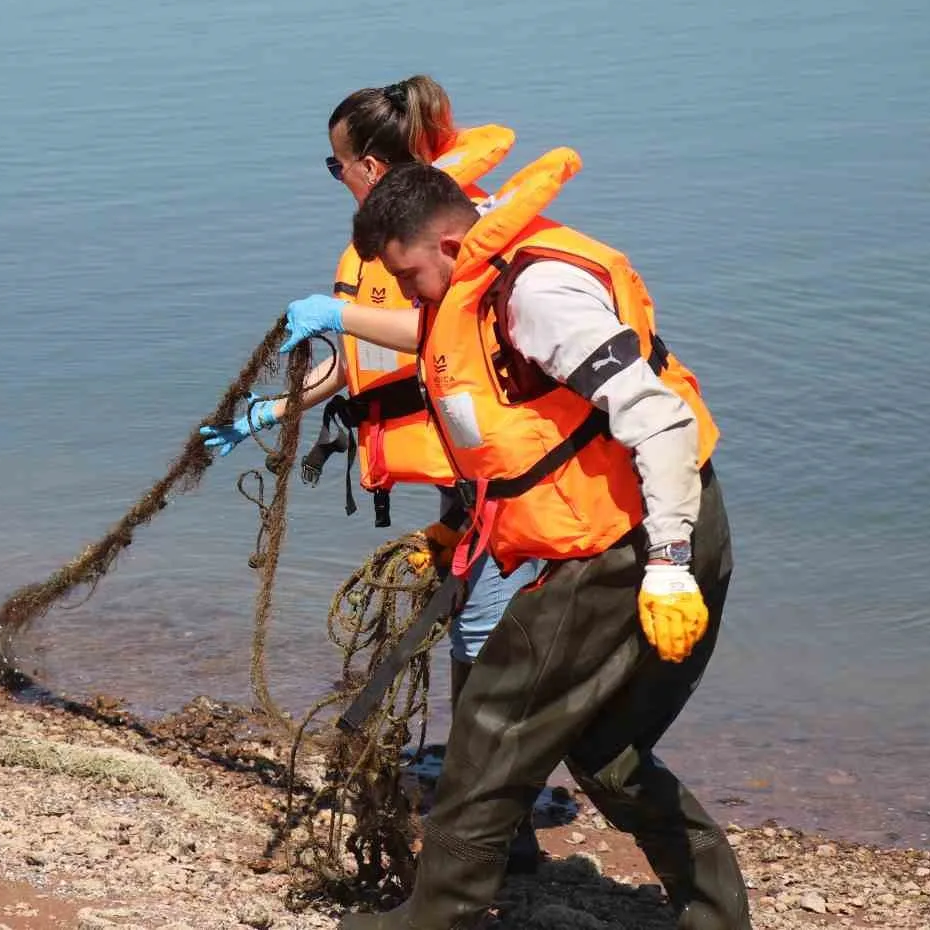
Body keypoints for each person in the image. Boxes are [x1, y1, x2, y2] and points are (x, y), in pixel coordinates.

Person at [277, 156, 752, 930]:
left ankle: (435, 920)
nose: (404, 294)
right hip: (634, 532)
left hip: (640, 539)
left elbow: (659, 420)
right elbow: (520, 445)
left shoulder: (539, 295)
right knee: (605, 753)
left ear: (453, 245)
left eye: (406, 274)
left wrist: (667, 565)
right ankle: (717, 919)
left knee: (493, 723)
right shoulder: (474, 288)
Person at [199, 76, 548, 870]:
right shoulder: (391, 235)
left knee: (483, 631)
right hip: (466, 474)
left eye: (337, 166)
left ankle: (501, 818)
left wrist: (336, 311)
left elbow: (434, 330)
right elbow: (372, 363)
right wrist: (265, 415)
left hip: (502, 470)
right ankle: (489, 802)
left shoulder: (438, 232)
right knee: (473, 628)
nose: (337, 180)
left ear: (373, 165)